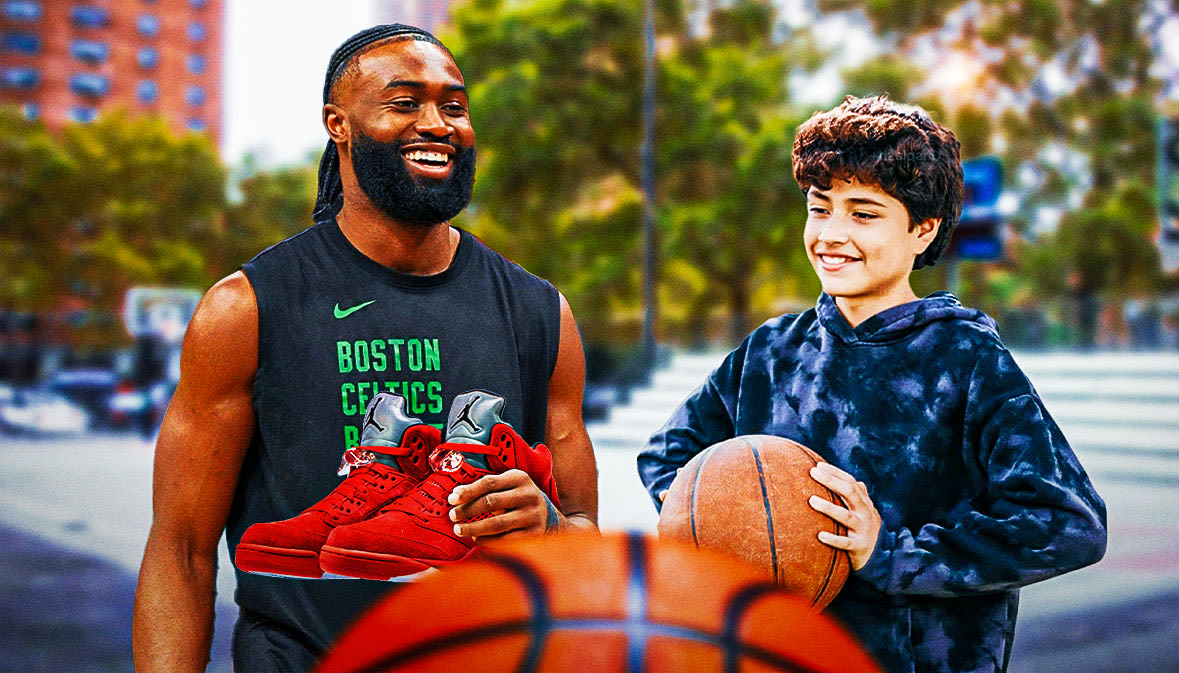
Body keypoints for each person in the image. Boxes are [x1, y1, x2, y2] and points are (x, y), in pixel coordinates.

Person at [133, 24, 598, 673]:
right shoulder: (247, 309)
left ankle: (431, 493)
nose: (437, 123)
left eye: (453, 106)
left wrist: (547, 524)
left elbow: (585, 542)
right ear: (339, 124)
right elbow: (181, 549)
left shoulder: (538, 312)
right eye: (405, 102)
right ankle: (374, 493)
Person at [637, 95, 1106, 673]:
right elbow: (668, 455)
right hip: (777, 651)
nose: (832, 234)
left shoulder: (966, 358)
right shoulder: (772, 350)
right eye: (820, 207)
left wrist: (890, 554)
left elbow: (1067, 522)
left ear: (923, 229)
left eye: (863, 213)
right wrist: (730, 526)